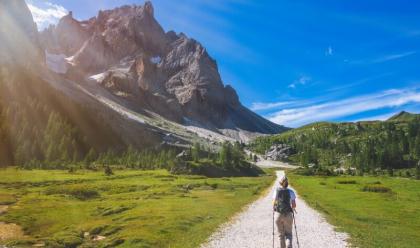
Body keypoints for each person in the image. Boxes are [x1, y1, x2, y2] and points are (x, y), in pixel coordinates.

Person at [273, 175, 296, 248]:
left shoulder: (276, 191)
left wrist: (275, 207)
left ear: (280, 183)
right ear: (287, 183)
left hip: (278, 214)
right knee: (288, 234)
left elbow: (274, 204)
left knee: (281, 235)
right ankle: (289, 246)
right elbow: (294, 205)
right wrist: (292, 207)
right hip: (288, 214)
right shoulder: (291, 191)